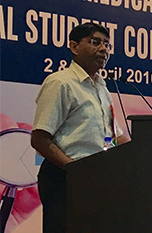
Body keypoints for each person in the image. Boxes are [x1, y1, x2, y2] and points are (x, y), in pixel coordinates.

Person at [31, 22, 122, 233]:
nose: (103, 49)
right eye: (95, 42)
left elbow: (114, 136)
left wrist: (146, 151)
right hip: (65, 179)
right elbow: (40, 138)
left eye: (107, 45)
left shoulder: (101, 87)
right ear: (74, 47)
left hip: (96, 180)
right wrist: (76, 171)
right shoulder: (60, 83)